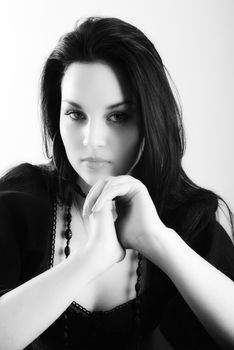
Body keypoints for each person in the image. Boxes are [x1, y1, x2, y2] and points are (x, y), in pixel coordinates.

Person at [0, 16, 234, 350]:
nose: (91, 139)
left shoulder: (190, 220)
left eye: (118, 116)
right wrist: (93, 257)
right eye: (75, 114)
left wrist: (159, 241)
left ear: (150, 120)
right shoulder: (19, 202)